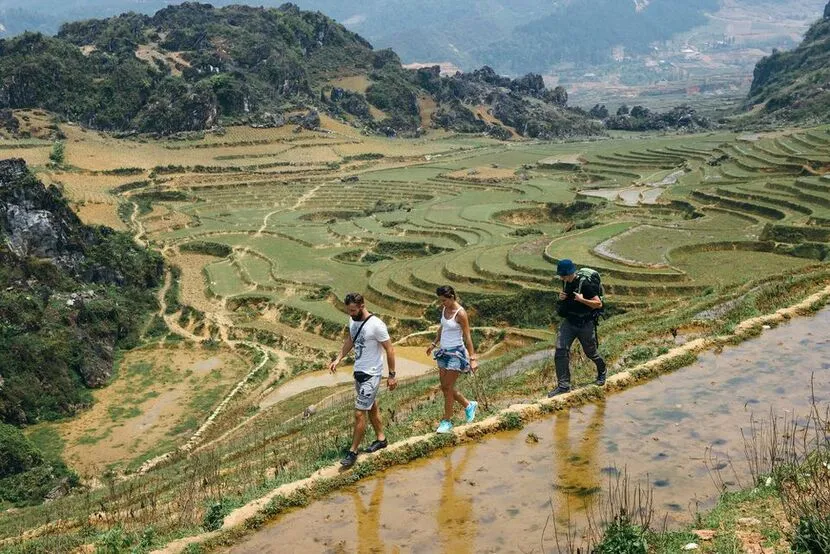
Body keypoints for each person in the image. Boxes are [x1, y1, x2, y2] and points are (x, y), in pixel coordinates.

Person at [329, 292, 397, 468]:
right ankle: (381, 439)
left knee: (359, 413)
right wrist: (338, 358)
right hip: (359, 372)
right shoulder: (353, 320)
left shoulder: (376, 325)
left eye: (353, 310)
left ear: (362, 306)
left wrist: (391, 375)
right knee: (371, 407)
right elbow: (351, 339)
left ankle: (353, 452)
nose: (350, 313)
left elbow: (390, 350)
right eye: (348, 311)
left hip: (372, 374)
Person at [548, 259, 607, 397]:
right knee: (560, 350)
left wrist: (582, 300)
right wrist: (560, 298)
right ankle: (563, 386)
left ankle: (602, 370)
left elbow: (598, 304)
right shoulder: (565, 283)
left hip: (585, 323)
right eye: (561, 275)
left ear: (570, 273)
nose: (561, 278)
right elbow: (564, 304)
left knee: (590, 352)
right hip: (569, 322)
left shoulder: (584, 284)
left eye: (563, 275)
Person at [426, 285, 478, 434]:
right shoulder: (444, 309)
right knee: (445, 387)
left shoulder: (461, 313)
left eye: (444, 300)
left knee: (447, 388)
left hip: (456, 353)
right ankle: (469, 405)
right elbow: (442, 327)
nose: (442, 304)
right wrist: (434, 343)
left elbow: (467, 336)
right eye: (440, 301)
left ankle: (446, 421)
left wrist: (473, 358)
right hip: (443, 352)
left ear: (452, 297)